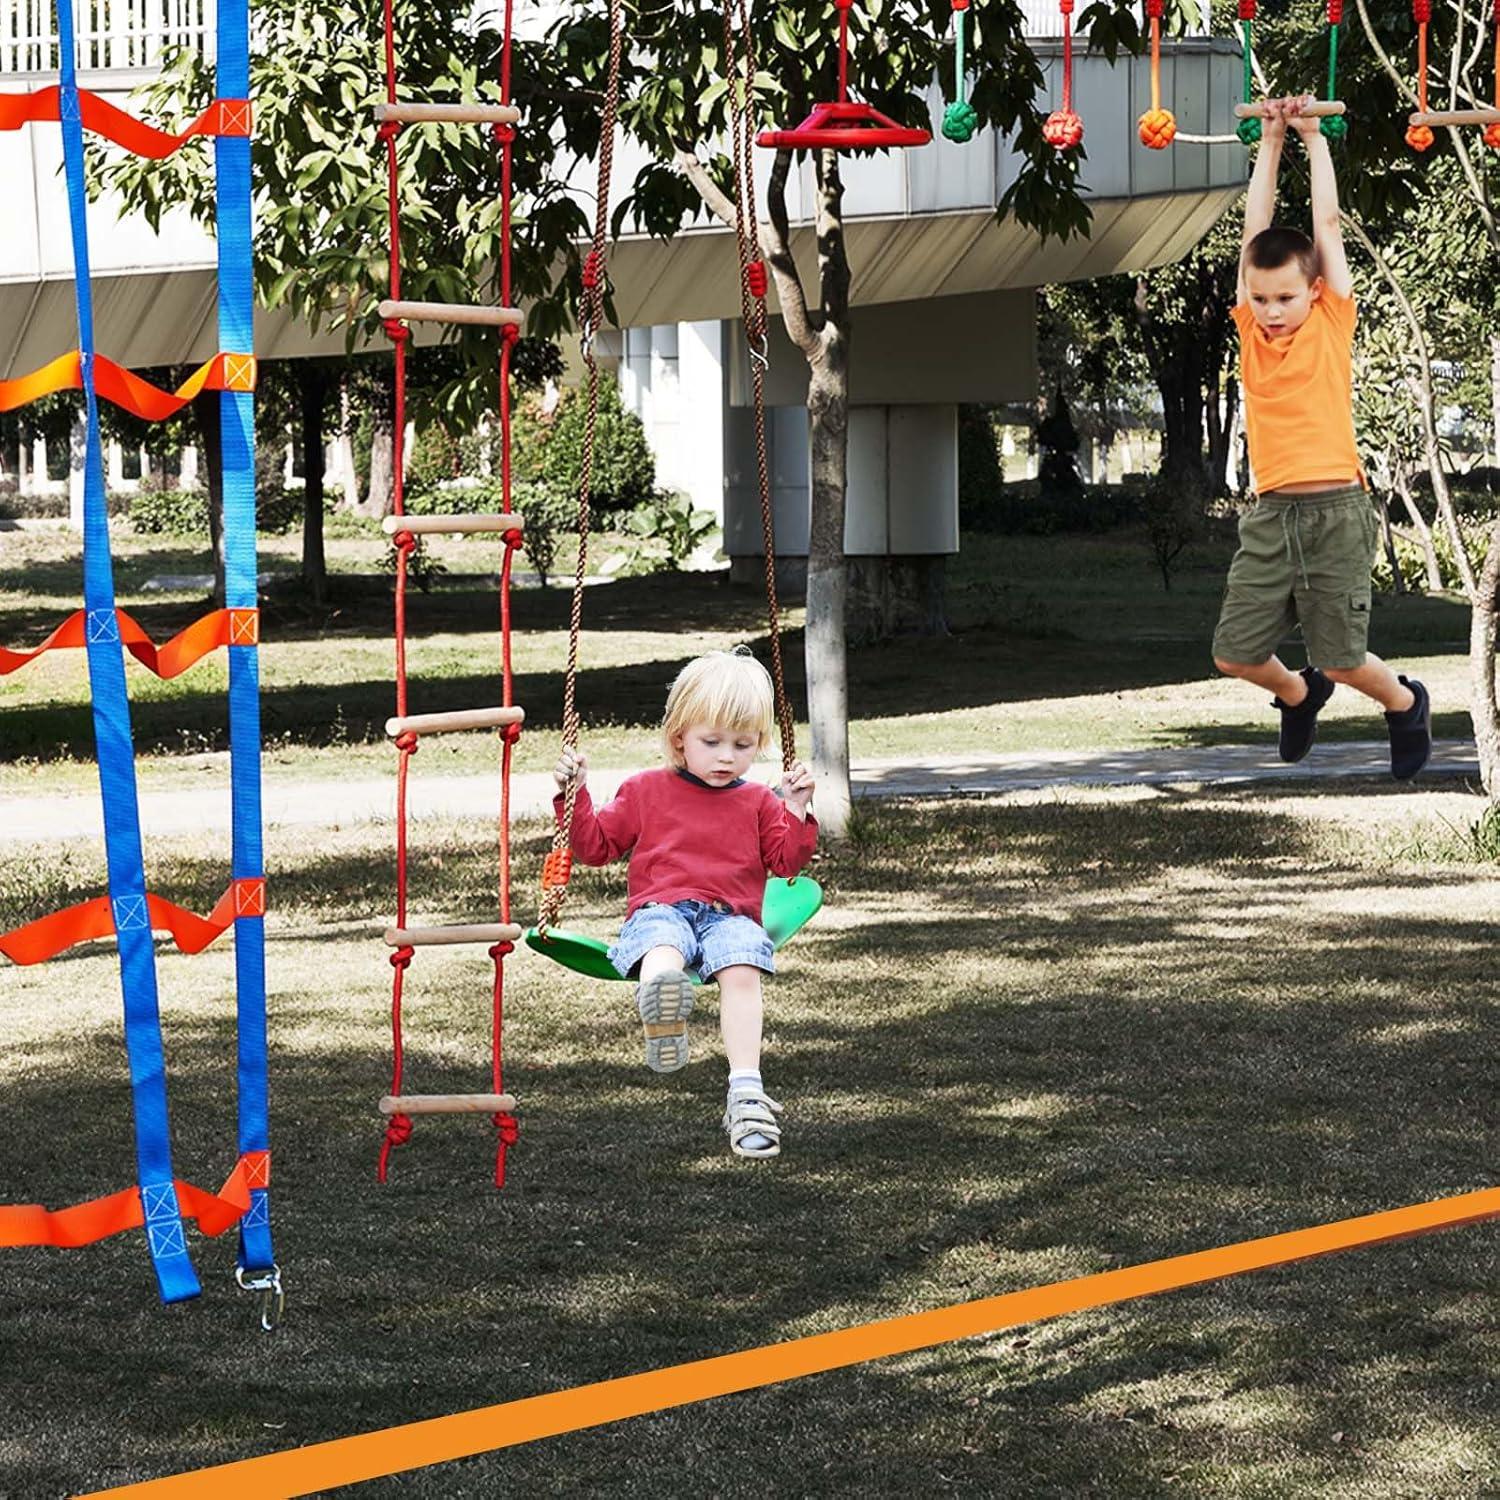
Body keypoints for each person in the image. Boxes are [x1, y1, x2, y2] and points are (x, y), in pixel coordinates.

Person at [1212, 96, 1432, 780]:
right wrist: (1270, 141)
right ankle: (1298, 695)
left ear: (1312, 292)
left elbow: (1326, 226)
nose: (1272, 311)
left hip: (1336, 509)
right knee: (1233, 653)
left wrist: (1313, 139)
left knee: (1342, 658)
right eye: (1261, 299)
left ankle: (1404, 704)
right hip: (1271, 514)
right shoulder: (1251, 332)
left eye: (1286, 298)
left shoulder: (1332, 321)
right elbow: (1254, 229)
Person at [552, 647, 817, 1159]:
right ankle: (663, 1006)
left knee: (742, 970)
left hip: (730, 917)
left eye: (742, 745)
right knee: (663, 944)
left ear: (759, 743)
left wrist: (796, 809)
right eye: (711, 742)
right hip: (663, 909)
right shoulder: (645, 789)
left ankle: (747, 1093)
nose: (726, 757)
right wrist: (575, 794)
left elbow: (786, 863)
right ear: (679, 738)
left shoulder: (760, 802)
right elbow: (595, 847)